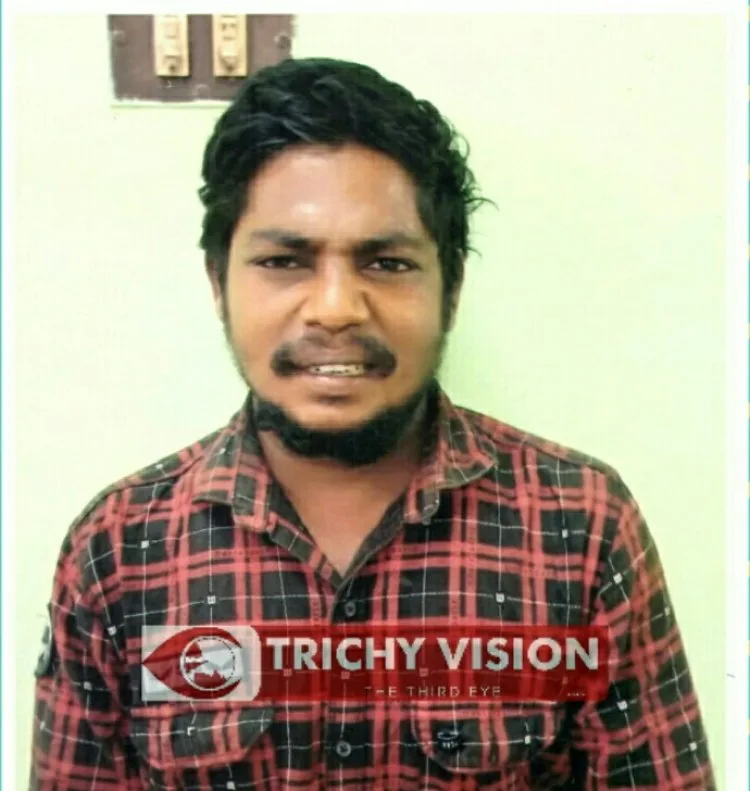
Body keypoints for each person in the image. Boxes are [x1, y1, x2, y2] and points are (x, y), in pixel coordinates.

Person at [29, 57, 715, 790]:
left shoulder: (580, 525)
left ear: (452, 287)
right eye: (284, 260)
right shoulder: (120, 547)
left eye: (386, 263)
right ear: (218, 282)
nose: (335, 308)